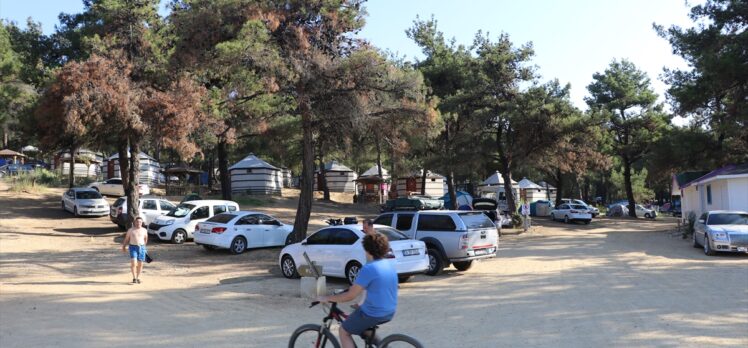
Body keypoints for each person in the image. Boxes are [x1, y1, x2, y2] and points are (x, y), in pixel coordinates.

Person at [317, 233, 397, 348]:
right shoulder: (388, 265)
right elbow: (372, 286)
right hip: (389, 311)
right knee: (361, 325)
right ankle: (382, 346)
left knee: (343, 331)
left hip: (373, 313)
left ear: (367, 249)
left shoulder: (369, 268)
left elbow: (350, 296)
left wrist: (327, 298)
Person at [121, 217, 148, 284]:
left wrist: (144, 247)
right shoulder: (131, 230)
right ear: (135, 222)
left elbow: (145, 239)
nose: (139, 223)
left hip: (141, 247)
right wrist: (124, 246)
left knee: (140, 264)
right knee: (134, 262)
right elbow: (127, 239)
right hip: (133, 247)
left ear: (142, 223)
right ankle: (134, 277)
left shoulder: (144, 230)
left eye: (140, 222)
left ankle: (138, 277)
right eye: (137, 221)